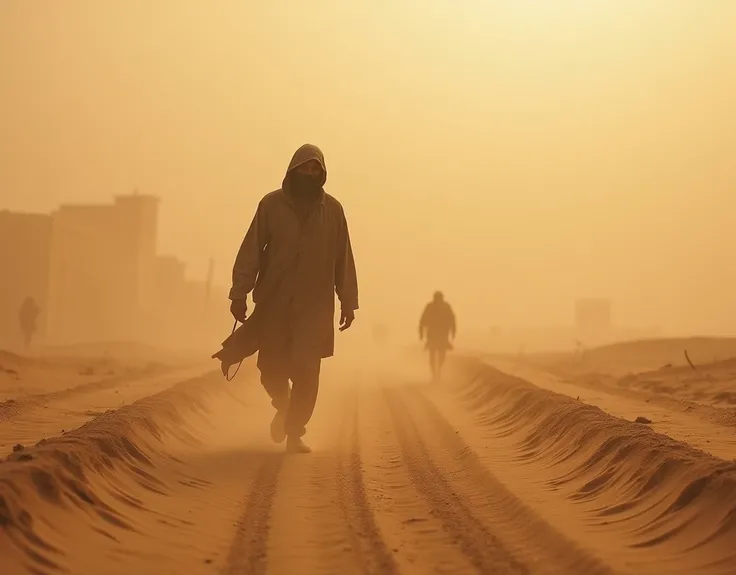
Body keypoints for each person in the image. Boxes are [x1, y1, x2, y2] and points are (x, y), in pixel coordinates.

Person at [228, 144, 358, 454]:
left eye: (315, 170)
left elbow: (343, 259)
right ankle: (282, 404)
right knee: (270, 370)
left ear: (322, 174)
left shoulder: (334, 211)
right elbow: (251, 251)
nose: (309, 174)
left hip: (315, 308)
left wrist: (348, 301)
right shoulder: (271, 206)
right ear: (293, 171)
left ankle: (294, 432)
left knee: (306, 373)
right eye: (304, 169)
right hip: (275, 304)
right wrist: (239, 293)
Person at [419, 291, 456, 381]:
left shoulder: (445, 307)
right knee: (433, 355)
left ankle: (438, 371)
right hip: (433, 335)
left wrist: (453, 331)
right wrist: (421, 333)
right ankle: (435, 374)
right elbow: (423, 320)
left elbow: (452, 319)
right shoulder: (430, 307)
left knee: (441, 355)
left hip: (442, 335)